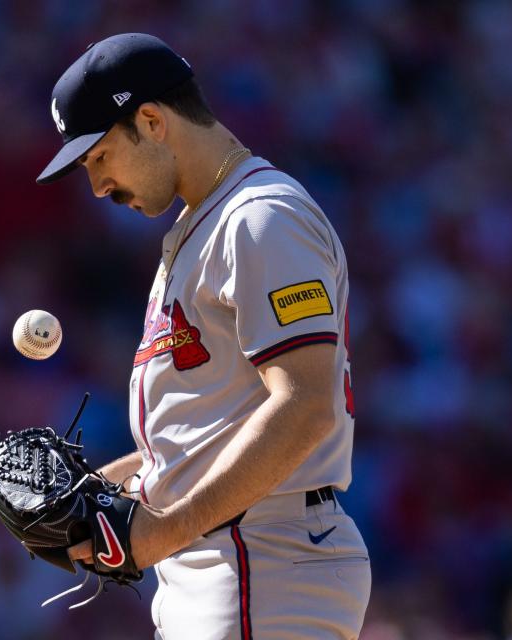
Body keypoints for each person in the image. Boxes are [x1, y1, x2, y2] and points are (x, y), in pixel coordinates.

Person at [36, 33, 371, 639]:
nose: (98, 186)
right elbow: (210, 429)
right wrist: (101, 490)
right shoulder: (207, 223)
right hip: (231, 557)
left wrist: (160, 531)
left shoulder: (259, 217)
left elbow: (304, 405)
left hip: (259, 555)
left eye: (100, 157)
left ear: (151, 121)